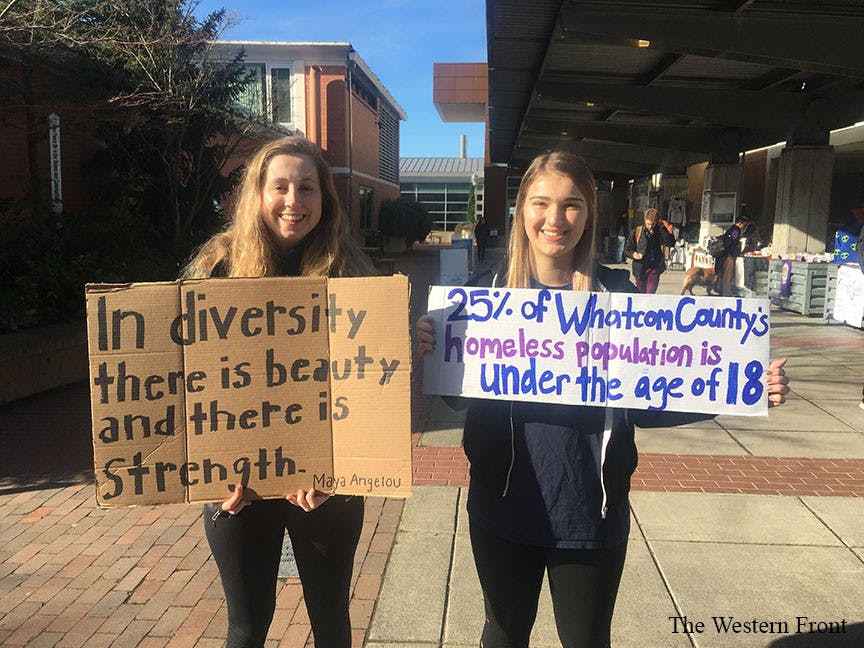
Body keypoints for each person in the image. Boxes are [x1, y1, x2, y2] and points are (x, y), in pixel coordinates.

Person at [415, 151, 790, 648]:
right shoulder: (484, 293)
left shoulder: (618, 294)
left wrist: (738, 386)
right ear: (522, 210)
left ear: (588, 213)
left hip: (590, 512)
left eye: (571, 204)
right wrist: (432, 349)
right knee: (502, 636)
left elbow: (652, 396)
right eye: (541, 203)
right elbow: (456, 402)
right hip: (502, 508)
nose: (555, 218)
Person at [184, 135, 374, 648]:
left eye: (307, 188)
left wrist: (340, 472)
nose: (294, 201)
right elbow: (189, 380)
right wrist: (211, 470)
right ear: (259, 194)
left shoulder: (351, 271)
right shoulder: (216, 267)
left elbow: (371, 386)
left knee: (330, 619)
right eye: (281, 187)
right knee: (246, 626)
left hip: (326, 484)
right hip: (238, 485)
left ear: (324, 199)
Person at [623, 207, 675, 293]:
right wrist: (634, 254)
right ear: (645, 221)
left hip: (654, 267)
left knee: (650, 292)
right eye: (648, 224)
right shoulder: (637, 231)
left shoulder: (660, 230)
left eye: (653, 224)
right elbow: (627, 250)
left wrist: (666, 230)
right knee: (640, 292)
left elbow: (670, 243)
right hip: (640, 268)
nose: (650, 227)